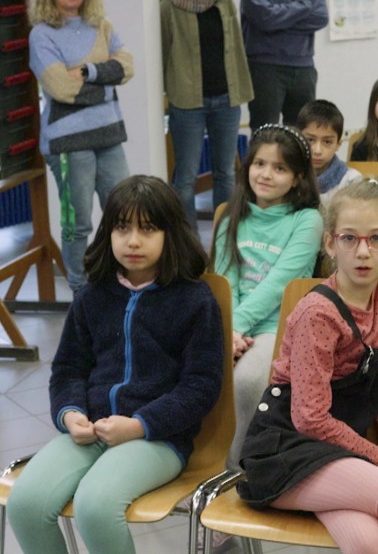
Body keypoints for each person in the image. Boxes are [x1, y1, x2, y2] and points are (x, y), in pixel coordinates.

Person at [7, 175, 223, 554]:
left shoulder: (195, 300)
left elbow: (200, 387)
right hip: (90, 431)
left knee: (96, 506)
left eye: (148, 228)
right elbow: (68, 368)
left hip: (157, 438)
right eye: (122, 228)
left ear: (170, 234)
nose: (133, 241)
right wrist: (70, 414)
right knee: (25, 504)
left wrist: (139, 425)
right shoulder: (92, 295)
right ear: (108, 232)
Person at [237, 178, 378, 554]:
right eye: (349, 239)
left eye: (376, 238)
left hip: (336, 451)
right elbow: (309, 417)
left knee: (369, 544)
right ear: (330, 243)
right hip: (286, 451)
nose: (363, 252)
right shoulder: (319, 312)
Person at [211, 124, 323, 471]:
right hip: (234, 327)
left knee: (247, 382)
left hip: (277, 326)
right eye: (259, 164)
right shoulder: (232, 215)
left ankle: (236, 475)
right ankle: (201, 466)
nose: (266, 174)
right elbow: (224, 279)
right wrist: (228, 329)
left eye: (280, 168)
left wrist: (238, 326)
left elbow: (280, 284)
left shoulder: (307, 220)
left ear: (297, 177)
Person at [29, 0, 133, 297]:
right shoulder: (41, 34)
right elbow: (59, 88)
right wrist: (105, 77)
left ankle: (121, 286)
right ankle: (81, 293)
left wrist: (86, 72)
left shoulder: (101, 25)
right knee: (79, 224)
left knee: (125, 212)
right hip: (68, 143)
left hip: (109, 134)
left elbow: (127, 68)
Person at [161, 0, 253, 231]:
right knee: (185, 178)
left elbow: (235, 48)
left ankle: (224, 239)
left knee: (225, 173)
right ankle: (187, 244)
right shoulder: (169, 5)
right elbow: (163, 54)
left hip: (226, 98)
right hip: (187, 100)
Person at [239, 0, 327, 129]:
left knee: (302, 135)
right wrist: (304, 6)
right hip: (265, 66)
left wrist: (278, 20)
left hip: (304, 67)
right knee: (265, 135)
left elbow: (320, 17)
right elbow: (264, 18)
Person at [297, 99, 363, 196]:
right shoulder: (286, 176)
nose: (317, 151)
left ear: (338, 144)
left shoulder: (351, 181)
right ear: (298, 138)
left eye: (327, 141)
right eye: (310, 140)